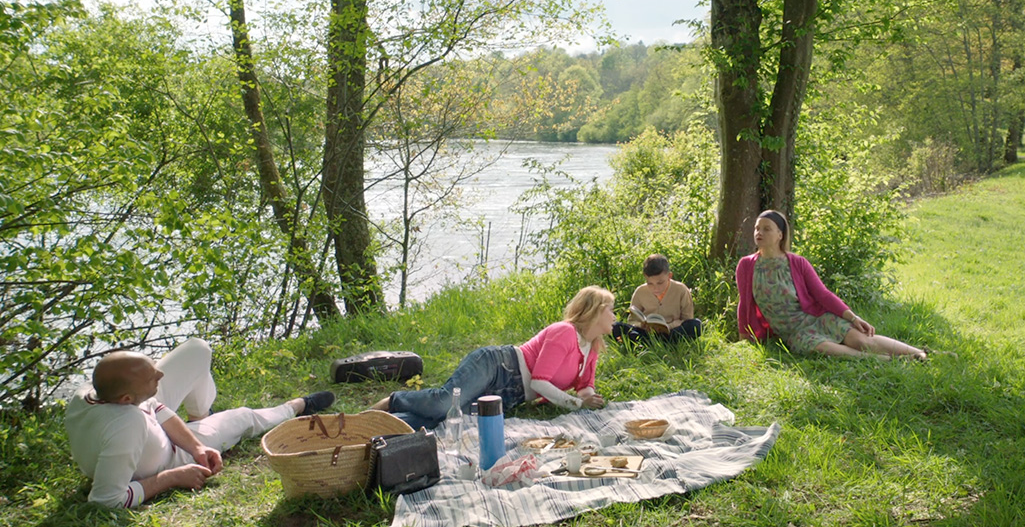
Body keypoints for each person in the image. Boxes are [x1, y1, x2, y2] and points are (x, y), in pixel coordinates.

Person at [64, 338, 335, 508]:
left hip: (144, 434)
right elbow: (105, 501)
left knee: (197, 349)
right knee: (243, 416)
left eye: (153, 367)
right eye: (152, 378)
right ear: (126, 398)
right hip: (164, 458)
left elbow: (156, 407)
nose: (160, 374)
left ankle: (201, 421)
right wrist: (173, 477)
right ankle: (296, 407)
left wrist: (196, 447)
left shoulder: (90, 392)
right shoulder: (125, 425)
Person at [373, 286, 614, 430]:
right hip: (496, 366)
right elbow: (539, 382)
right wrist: (576, 404)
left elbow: (585, 387)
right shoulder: (564, 332)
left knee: (447, 421)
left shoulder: (592, 347)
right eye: (610, 309)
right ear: (594, 312)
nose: (614, 316)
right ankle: (392, 401)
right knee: (444, 403)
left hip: (509, 395)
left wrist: (591, 400)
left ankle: (377, 425)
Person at [737, 210, 937, 360]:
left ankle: (923, 353)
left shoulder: (797, 262)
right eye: (757, 228)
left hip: (816, 318)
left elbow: (823, 295)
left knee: (861, 340)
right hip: (794, 332)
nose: (759, 232)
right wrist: (744, 336)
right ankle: (888, 360)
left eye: (766, 228)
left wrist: (853, 317)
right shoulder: (747, 265)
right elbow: (744, 304)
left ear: (780, 235)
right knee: (825, 348)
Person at [611, 254, 703, 343]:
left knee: (695, 325)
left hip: (672, 332)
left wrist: (668, 326)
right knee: (615, 327)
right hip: (647, 333)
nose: (656, 288)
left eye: (660, 283)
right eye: (650, 283)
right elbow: (632, 320)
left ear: (669, 276)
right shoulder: (640, 291)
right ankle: (647, 342)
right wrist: (642, 325)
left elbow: (687, 319)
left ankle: (649, 344)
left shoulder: (681, 290)